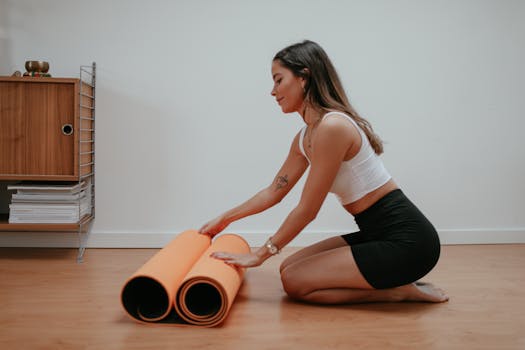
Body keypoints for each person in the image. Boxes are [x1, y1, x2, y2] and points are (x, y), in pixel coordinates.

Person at [199, 40, 448, 304]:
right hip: (374, 234)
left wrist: (260, 254)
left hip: (408, 243)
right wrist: (224, 219)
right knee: (289, 268)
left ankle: (398, 291)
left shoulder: (333, 127)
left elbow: (307, 210)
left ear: (304, 77)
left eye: (278, 80)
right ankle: (393, 283)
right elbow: (273, 192)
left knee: (294, 282)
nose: (273, 91)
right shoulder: (305, 137)